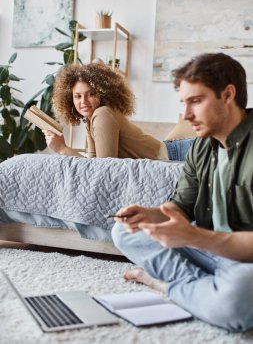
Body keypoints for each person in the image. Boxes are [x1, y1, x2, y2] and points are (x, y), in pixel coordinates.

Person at [111, 52, 253, 332]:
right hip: (209, 251)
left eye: (196, 101)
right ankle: (202, 290)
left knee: (237, 297)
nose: (186, 115)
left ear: (228, 94)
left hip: (244, 258)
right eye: (183, 103)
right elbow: (180, 206)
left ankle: (164, 285)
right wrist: (148, 214)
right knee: (124, 232)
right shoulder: (200, 146)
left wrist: (195, 236)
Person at [43, 62, 188, 160]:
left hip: (178, 154)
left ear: (102, 93)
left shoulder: (102, 114)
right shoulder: (91, 118)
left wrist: (62, 149)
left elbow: (105, 169)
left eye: (91, 94)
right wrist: (62, 148)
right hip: (175, 151)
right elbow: (92, 165)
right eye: (77, 96)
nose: (83, 102)